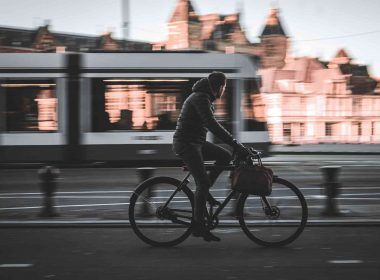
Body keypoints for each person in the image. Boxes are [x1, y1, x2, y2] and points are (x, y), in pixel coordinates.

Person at [172, 72, 250, 242]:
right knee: (203, 182)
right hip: (187, 144)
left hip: (196, 143)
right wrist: (236, 144)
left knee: (225, 156)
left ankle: (205, 192)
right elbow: (212, 125)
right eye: (224, 88)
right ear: (220, 87)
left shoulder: (204, 97)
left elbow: (210, 125)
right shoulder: (201, 98)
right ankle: (198, 225)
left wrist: (234, 146)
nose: (224, 91)